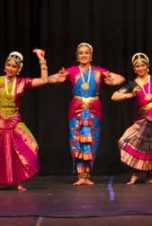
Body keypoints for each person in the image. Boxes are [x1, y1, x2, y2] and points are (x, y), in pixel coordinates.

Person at [47, 42, 125, 186]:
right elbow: (49, 79)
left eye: (86, 53)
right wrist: (58, 78)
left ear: (91, 56)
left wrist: (112, 82)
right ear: (77, 56)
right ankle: (80, 175)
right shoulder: (71, 70)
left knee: (92, 140)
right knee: (76, 140)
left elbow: (121, 78)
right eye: (81, 53)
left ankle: (87, 175)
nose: (83, 55)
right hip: (76, 109)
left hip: (93, 110)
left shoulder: (98, 71)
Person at [0, 49, 48, 192]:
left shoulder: (22, 82)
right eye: (9, 65)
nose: (10, 68)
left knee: (24, 148)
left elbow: (44, 80)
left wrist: (41, 60)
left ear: (18, 69)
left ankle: (18, 181)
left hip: (14, 120)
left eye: (14, 66)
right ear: (5, 66)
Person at [111, 53, 152, 185]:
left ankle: (151, 176)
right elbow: (114, 96)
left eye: (143, 65)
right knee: (126, 140)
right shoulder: (132, 84)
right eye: (137, 66)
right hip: (143, 118)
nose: (140, 68)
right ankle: (135, 173)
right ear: (134, 69)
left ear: (147, 66)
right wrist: (130, 94)